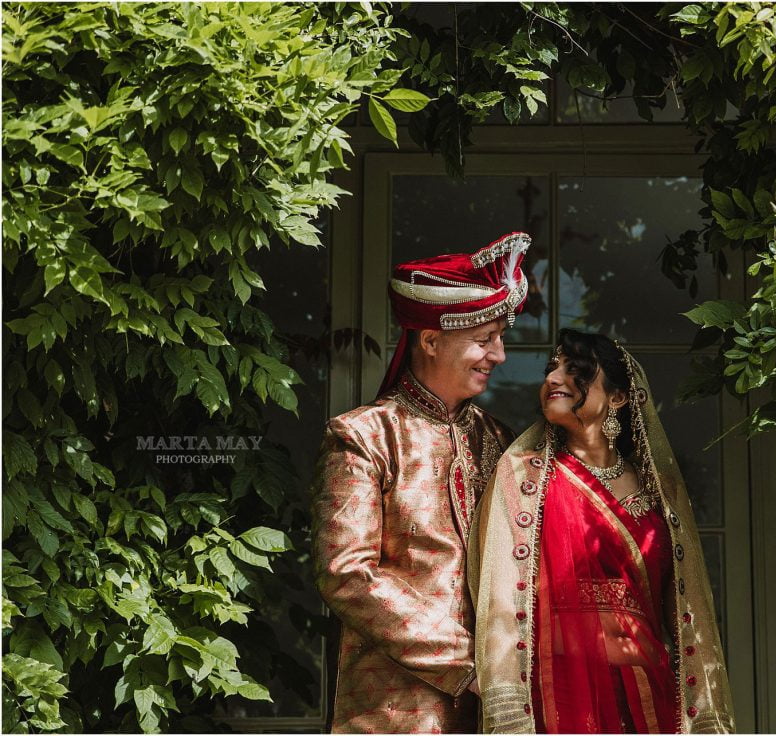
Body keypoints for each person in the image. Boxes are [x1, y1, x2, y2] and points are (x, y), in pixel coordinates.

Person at [311, 232, 531, 733]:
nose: (498, 355)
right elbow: (345, 573)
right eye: (484, 339)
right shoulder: (363, 435)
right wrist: (471, 666)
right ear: (430, 340)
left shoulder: (500, 440)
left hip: (500, 711)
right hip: (394, 711)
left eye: (501, 337)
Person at [469, 329, 735, 734]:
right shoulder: (523, 476)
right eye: (550, 368)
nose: (553, 379)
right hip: (558, 696)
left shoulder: (661, 490)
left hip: (648, 693)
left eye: (574, 370)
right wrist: (507, 704)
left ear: (618, 397)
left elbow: (687, 606)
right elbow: (501, 600)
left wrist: (703, 711)